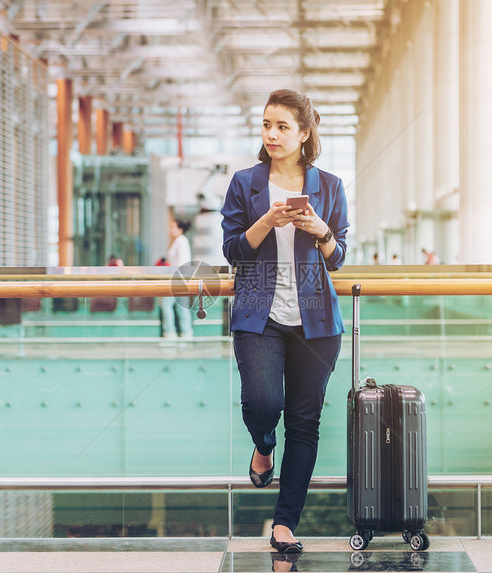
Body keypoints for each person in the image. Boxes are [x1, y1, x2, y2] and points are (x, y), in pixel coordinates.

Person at [221, 89, 349, 554]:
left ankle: (284, 523)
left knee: (304, 421)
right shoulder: (245, 183)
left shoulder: (330, 185)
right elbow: (233, 250)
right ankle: (263, 445)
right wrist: (267, 222)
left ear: (304, 133)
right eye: (266, 125)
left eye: (282, 127)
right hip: (260, 313)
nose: (271, 135)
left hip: (317, 321)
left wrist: (323, 233)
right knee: (261, 402)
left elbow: (338, 260)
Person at [161, 217, 193, 338]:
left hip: (178, 278)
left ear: (180, 229)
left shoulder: (181, 240)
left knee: (167, 305)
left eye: (172, 227)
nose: (170, 230)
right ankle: (186, 332)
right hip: (179, 278)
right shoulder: (178, 241)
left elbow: (182, 262)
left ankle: (170, 332)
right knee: (181, 307)